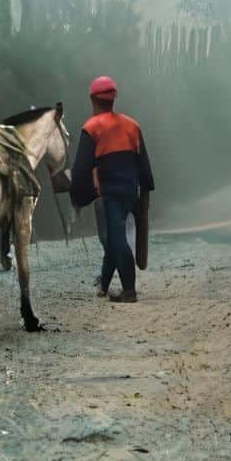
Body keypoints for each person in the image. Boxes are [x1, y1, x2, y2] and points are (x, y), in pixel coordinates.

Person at [70, 75, 154, 302]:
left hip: (111, 192)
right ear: (113, 98)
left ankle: (129, 291)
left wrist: (78, 196)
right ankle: (104, 286)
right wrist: (145, 193)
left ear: (92, 100)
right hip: (131, 191)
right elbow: (144, 164)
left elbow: (81, 168)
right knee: (113, 237)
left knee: (116, 239)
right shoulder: (132, 125)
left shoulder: (91, 127)